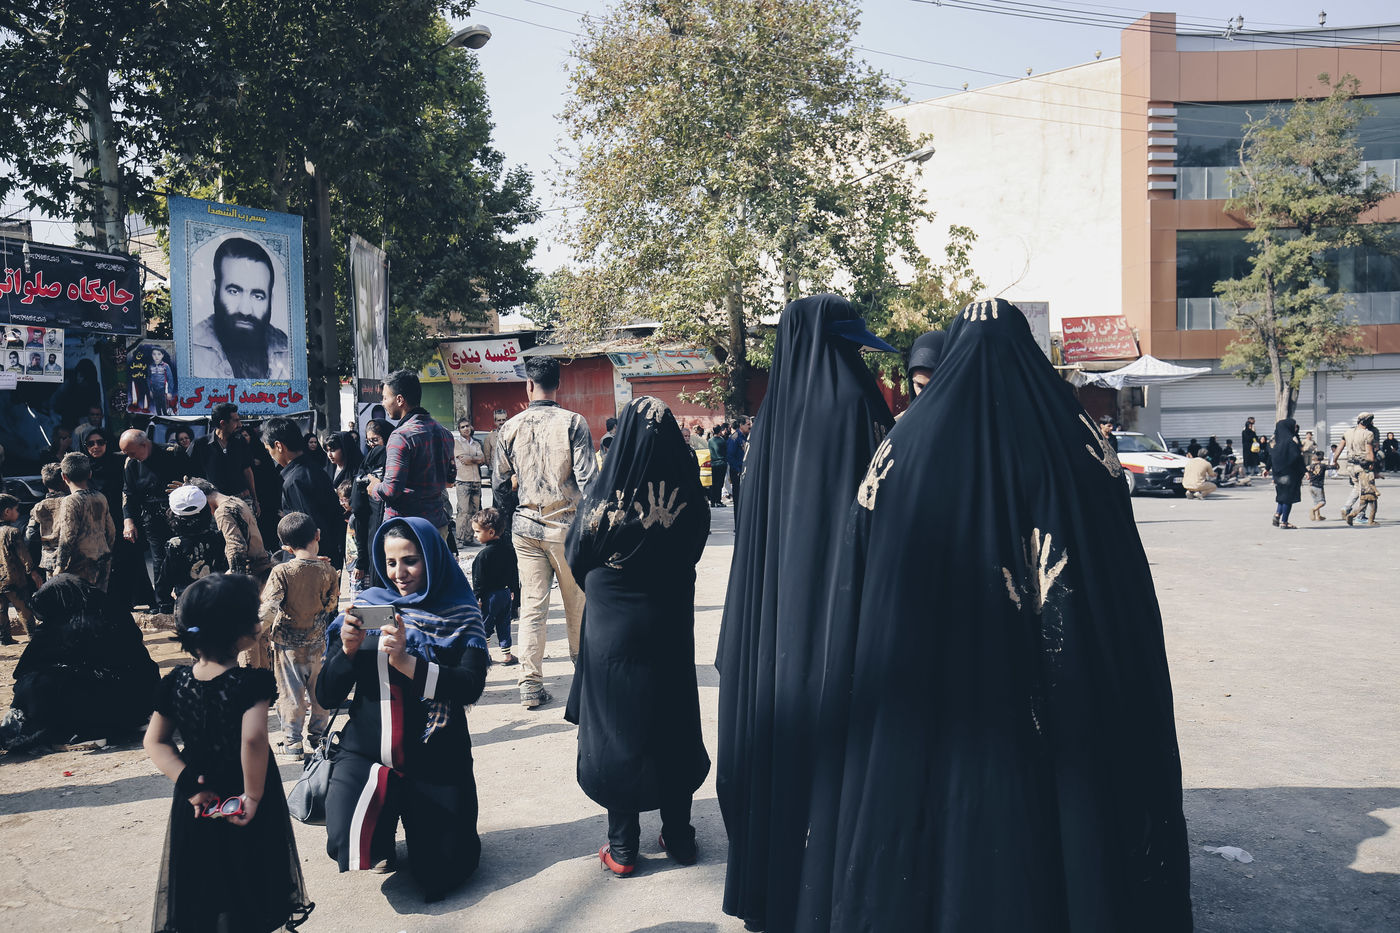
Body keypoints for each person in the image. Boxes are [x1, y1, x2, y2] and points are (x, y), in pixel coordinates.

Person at [793, 298, 1191, 933]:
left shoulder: (903, 447)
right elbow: (1123, 592)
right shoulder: (1077, 446)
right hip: (1056, 687)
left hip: (928, 686)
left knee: (939, 808)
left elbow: (861, 575)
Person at [715, 293, 895, 932]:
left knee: (782, 757)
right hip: (839, 618)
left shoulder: (770, 419)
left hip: (777, 627)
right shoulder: (857, 404)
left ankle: (775, 891)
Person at [565, 396, 712, 876]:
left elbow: (577, 554)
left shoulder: (607, 495)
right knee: (672, 721)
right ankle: (680, 836)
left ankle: (623, 847)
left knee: (618, 724)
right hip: (669, 626)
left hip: (614, 631)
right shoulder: (689, 497)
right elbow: (694, 546)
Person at [318, 517, 490, 900]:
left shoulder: (459, 613)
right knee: (347, 840)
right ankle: (382, 832)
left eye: (410, 560)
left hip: (436, 755)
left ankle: (425, 827)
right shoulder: (366, 608)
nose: (399, 573)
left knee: (441, 873)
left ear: (433, 559)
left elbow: (470, 686)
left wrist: (407, 662)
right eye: (391, 562)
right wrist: (346, 651)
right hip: (367, 753)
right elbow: (327, 695)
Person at [143, 574, 313, 932]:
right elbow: (252, 740)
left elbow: (155, 741)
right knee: (249, 874)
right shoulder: (251, 682)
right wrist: (252, 796)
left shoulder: (174, 682)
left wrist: (190, 784)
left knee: (205, 877)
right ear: (242, 633)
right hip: (242, 790)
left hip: (198, 798)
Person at [493, 355, 597, 709]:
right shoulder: (573, 422)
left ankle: (530, 685)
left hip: (525, 529)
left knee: (532, 607)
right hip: (566, 530)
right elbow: (589, 481)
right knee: (577, 605)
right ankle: (584, 681)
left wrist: (515, 514)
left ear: (528, 385)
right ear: (558, 385)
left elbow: (500, 486)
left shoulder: (510, 427)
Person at [0, 574, 158, 752]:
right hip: (142, 697)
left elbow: (24, 669)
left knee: (34, 684)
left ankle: (88, 731)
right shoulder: (111, 608)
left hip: (109, 699)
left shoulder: (65, 624)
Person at [260, 512, 339, 757]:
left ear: (286, 547)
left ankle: (292, 742)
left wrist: (253, 631)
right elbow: (331, 605)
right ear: (318, 535)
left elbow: (270, 607)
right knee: (318, 693)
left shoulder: (281, 572)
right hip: (317, 642)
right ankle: (319, 738)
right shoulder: (329, 570)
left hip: (287, 644)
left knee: (290, 694)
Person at [189, 236, 292, 380]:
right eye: (234, 291)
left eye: (258, 296)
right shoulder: (190, 349)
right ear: (215, 290)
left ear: (270, 299)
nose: (245, 310)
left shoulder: (288, 351)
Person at [368, 370, 455, 539]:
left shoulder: (401, 436)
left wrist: (375, 487)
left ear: (399, 400)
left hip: (407, 530)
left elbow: (391, 490)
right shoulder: (444, 433)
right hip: (437, 526)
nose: (383, 403)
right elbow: (450, 479)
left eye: (385, 398)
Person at [262, 417, 346, 569]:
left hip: (311, 564)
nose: (270, 455)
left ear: (278, 446)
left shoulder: (295, 481)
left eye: (268, 450)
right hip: (326, 557)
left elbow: (308, 528)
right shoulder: (313, 469)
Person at [119, 429, 188, 612]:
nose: (130, 457)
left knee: (182, 554)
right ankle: (162, 603)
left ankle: (186, 599)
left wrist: (186, 486)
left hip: (177, 513)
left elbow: (196, 477)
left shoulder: (173, 453)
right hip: (151, 514)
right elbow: (128, 493)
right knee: (159, 558)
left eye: (132, 452)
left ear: (144, 445)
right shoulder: (131, 463)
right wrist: (128, 520)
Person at [158, 485, 229, 604]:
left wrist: (165, 603)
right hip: (218, 600)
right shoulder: (219, 538)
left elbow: (165, 581)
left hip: (187, 603)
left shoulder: (175, 545)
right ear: (206, 511)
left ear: (174, 516)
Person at [55, 452, 115, 590]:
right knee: (99, 599)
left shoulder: (70, 501)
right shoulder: (100, 497)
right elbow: (111, 530)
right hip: (103, 557)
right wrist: (108, 551)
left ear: (64, 476)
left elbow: (67, 536)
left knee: (80, 600)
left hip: (81, 563)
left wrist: (60, 565)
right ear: (90, 474)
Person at [185, 403, 258, 509]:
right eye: (236, 421)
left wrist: (255, 499)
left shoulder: (240, 441)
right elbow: (190, 475)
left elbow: (247, 470)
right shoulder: (200, 444)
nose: (240, 425)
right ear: (223, 423)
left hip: (242, 501)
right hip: (214, 503)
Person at [470, 507, 518, 665]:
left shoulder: (483, 556)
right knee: (504, 625)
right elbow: (514, 574)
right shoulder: (509, 550)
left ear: (491, 532)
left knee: (485, 626)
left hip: (489, 597)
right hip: (505, 594)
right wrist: (514, 592)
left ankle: (485, 655)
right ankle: (507, 656)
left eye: (477, 531)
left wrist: (476, 597)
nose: (475, 535)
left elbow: (478, 580)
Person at [350, 419, 392, 592]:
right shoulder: (369, 462)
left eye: (375, 440)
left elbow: (357, 506)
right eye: (369, 441)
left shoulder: (389, 460)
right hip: (374, 528)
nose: (372, 445)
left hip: (380, 528)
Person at [0, 493, 42, 643]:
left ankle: (4, 638)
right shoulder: (12, 532)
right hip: (14, 579)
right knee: (23, 608)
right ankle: (32, 636)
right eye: (16, 510)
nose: (18, 513)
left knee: (1, 610)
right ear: (7, 512)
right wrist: (33, 572)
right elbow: (24, 555)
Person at [25, 464, 67, 579]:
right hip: (73, 559)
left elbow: (30, 536)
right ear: (64, 480)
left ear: (44, 483)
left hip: (50, 561)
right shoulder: (71, 503)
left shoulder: (38, 507)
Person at [1337, 412, 1380, 522]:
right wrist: (1374, 464)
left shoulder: (1348, 432)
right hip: (1363, 466)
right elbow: (1370, 453)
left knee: (1357, 487)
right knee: (1366, 491)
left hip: (1350, 465)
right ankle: (1360, 515)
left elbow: (1339, 447)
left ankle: (1346, 507)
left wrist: (1334, 461)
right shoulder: (1368, 434)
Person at [454, 419, 486, 547]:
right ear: (459, 430)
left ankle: (469, 538)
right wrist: (475, 459)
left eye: (467, 426)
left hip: (476, 480)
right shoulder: (457, 443)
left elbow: (482, 459)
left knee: (474, 512)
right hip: (463, 480)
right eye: (462, 427)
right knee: (463, 511)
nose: (466, 428)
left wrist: (471, 458)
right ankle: (459, 540)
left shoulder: (476, 443)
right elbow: (464, 459)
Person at [1271, 418, 1304, 529]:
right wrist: (1305, 471)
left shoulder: (1276, 444)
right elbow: (1297, 459)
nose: (1295, 428)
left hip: (1278, 475)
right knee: (1288, 498)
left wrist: (1269, 470)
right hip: (1290, 475)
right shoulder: (1291, 443)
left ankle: (1277, 514)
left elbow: (1271, 459)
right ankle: (1284, 522)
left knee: (1282, 496)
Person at [725, 419, 749, 509]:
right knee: (738, 499)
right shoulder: (735, 438)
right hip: (737, 472)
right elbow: (730, 456)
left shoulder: (745, 437)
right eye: (748, 424)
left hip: (744, 470)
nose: (750, 426)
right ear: (741, 425)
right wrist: (738, 469)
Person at [147, 346, 175, 415]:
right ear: (151, 355)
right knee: (157, 405)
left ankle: (165, 415)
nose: (156, 356)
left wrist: (169, 392)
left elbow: (170, 379)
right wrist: (150, 390)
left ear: (162, 355)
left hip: (163, 389)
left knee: (164, 404)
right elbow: (148, 378)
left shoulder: (165, 366)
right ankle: (159, 415)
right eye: (154, 354)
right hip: (154, 389)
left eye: (159, 354)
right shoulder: (151, 366)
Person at [707, 423, 729, 507]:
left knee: (713, 483)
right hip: (721, 463)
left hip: (713, 463)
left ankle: (713, 501)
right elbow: (726, 451)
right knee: (720, 483)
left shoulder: (710, 441)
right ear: (720, 431)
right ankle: (718, 501)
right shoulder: (722, 440)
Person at [1306, 450, 1328, 521]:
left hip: (1311, 485)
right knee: (1322, 502)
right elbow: (1334, 467)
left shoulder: (1310, 466)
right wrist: (1336, 463)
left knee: (1316, 502)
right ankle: (1313, 510)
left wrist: (1307, 474)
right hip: (1318, 486)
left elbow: (1304, 470)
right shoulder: (1323, 466)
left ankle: (1317, 516)